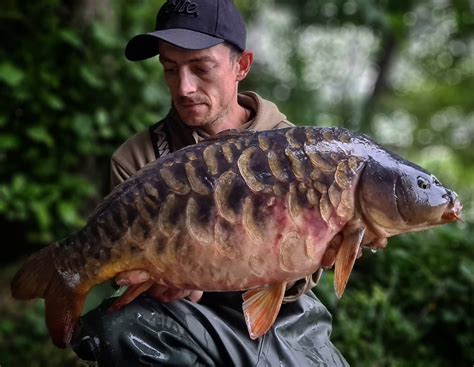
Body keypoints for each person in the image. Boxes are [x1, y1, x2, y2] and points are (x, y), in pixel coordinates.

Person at [72, 0, 349, 366]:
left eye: (201, 68)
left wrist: (330, 251)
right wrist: (180, 278)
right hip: (185, 316)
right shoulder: (137, 159)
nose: (184, 88)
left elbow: (302, 280)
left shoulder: (294, 151)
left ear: (241, 66)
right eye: (171, 70)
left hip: (284, 315)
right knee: (118, 326)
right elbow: (127, 278)